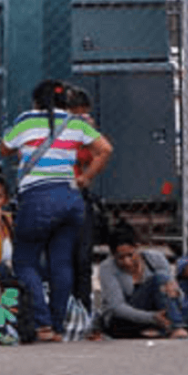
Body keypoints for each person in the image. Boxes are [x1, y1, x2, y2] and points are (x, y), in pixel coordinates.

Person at [0, 79, 112, 342]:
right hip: (71, 197)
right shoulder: (76, 123)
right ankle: (59, 327)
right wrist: (85, 178)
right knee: (61, 262)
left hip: (38, 197)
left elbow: (5, 147)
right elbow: (105, 149)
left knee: (25, 261)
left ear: (37, 101)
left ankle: (43, 324)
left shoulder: (27, 119)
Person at [98, 225, 188, 339]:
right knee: (159, 278)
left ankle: (162, 328)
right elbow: (117, 307)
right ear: (113, 255)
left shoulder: (155, 259)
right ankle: (175, 327)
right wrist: (152, 317)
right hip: (123, 320)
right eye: (120, 258)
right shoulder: (107, 268)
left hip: (157, 313)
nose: (127, 262)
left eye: (130, 255)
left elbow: (174, 295)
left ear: (138, 247)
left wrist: (176, 294)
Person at [65, 84, 110, 311]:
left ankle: (82, 309)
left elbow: (98, 154)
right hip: (61, 191)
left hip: (78, 192)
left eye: (85, 112)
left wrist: (90, 133)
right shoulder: (57, 130)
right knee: (64, 256)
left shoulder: (85, 133)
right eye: (77, 112)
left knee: (82, 258)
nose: (82, 117)